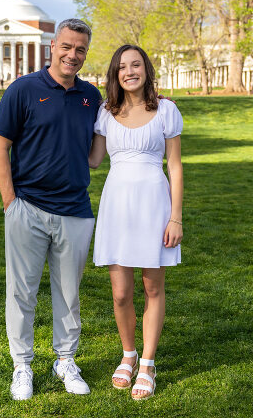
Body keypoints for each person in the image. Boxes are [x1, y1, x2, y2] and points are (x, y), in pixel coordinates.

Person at [0, 18, 102, 401]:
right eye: (67, 47)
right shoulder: (23, 90)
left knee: (68, 293)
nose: (73, 55)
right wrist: (10, 202)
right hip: (28, 208)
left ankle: (65, 360)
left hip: (75, 209)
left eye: (81, 49)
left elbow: (95, 158)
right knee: (21, 292)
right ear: (52, 47)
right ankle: (22, 365)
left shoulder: (92, 97)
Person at [88, 44, 183, 401]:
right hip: (117, 206)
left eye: (136, 65)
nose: (130, 71)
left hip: (154, 205)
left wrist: (175, 217)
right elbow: (94, 160)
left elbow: (174, 166)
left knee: (152, 288)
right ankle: (127, 354)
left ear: (146, 69)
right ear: (115, 74)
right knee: (121, 292)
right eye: (122, 67)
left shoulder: (166, 110)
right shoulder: (105, 113)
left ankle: (147, 362)